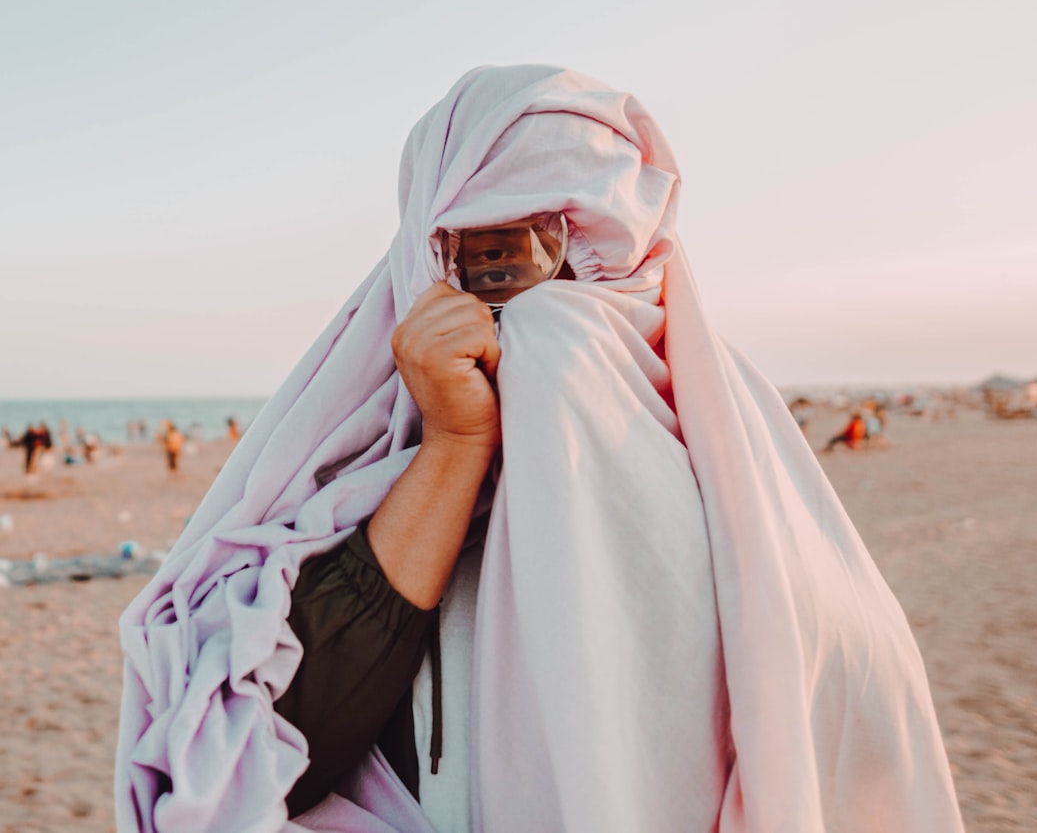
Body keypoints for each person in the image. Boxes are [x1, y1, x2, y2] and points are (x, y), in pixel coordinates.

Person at [116, 65, 963, 832]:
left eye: (575, 263)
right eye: (481, 258)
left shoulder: (760, 512)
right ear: (424, 263)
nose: (539, 316)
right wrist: (453, 450)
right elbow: (259, 759)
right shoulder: (345, 471)